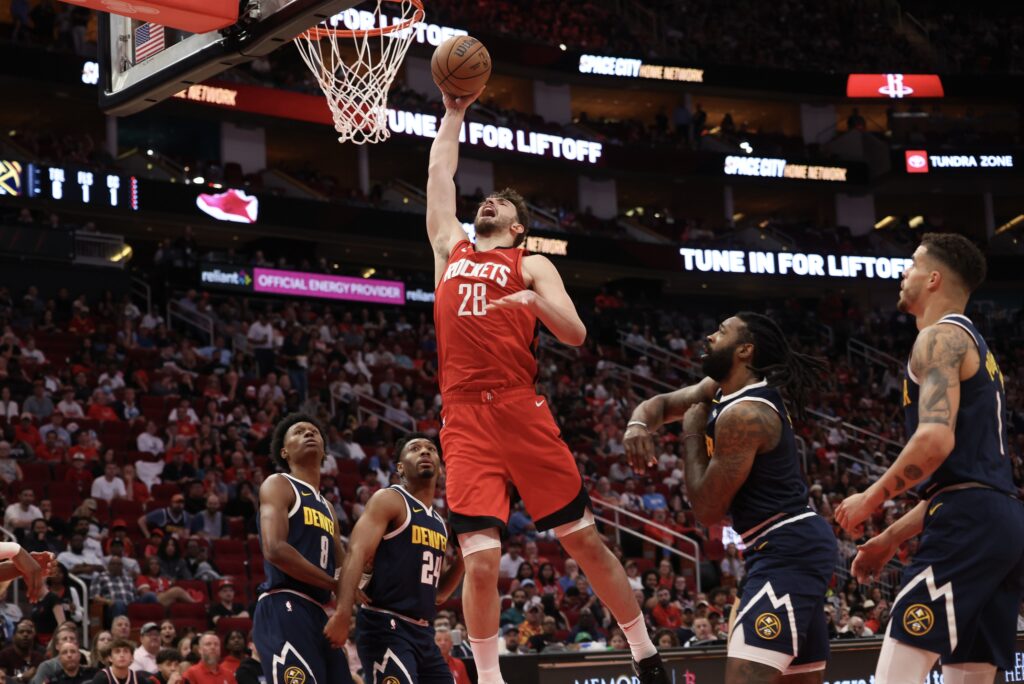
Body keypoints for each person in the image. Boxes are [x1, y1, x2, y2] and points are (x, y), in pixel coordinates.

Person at [424, 87, 668, 684]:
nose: (489, 204)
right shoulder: (448, 251)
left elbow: (578, 333)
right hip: (463, 418)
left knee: (583, 543)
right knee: (480, 562)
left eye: (502, 204)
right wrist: (454, 114)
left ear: (519, 227)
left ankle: (645, 652)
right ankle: (487, 677)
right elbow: (438, 172)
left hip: (518, 408)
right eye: (486, 200)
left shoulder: (531, 265)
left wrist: (534, 299)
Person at [835, 234, 1024, 683]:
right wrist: (889, 540)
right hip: (1001, 520)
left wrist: (872, 497)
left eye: (912, 265)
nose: (904, 273)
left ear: (934, 278)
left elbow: (934, 442)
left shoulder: (938, 338)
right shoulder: (976, 346)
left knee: (897, 671)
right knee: (968, 675)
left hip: (969, 523)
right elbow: (962, 482)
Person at [625, 311, 836, 683]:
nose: (709, 336)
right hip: (784, 547)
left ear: (745, 350)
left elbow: (707, 509)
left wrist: (691, 434)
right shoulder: (719, 390)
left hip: (787, 550)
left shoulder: (746, 414)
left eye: (720, 332)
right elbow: (659, 404)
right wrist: (638, 424)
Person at [324, 434, 463, 682]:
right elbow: (356, 552)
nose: (424, 452)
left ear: (440, 468)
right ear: (400, 467)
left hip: (423, 632)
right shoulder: (390, 499)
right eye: (415, 448)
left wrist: (464, 557)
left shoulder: (440, 523)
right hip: (385, 624)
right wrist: (344, 612)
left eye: (430, 449)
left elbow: (438, 593)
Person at [252, 414, 352, 684]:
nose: (309, 434)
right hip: (284, 602)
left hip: (319, 612)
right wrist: (334, 584)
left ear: (324, 450)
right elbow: (274, 549)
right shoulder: (278, 484)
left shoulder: (327, 507)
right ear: (284, 451)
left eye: (314, 432)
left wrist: (351, 599)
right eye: (299, 432)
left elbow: (344, 567)